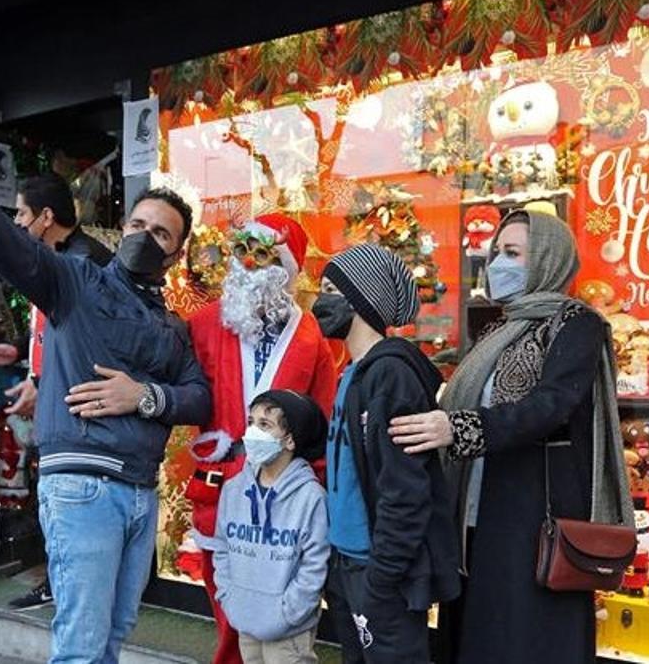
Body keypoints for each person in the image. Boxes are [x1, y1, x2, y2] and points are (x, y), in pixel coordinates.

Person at [0, 150, 212, 664]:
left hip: (139, 492)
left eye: (161, 234)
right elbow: (6, 244)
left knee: (112, 635)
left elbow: (199, 396)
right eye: (138, 224)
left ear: (176, 255)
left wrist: (145, 396)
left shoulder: (171, 327)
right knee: (83, 646)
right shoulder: (75, 280)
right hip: (84, 488)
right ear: (122, 229)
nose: (144, 237)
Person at [388, 209, 632, 663]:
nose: (498, 264)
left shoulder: (576, 324)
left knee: (524, 630)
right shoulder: (500, 328)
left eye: (513, 253)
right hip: (477, 504)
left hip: (532, 511)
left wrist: (459, 427)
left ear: (547, 258)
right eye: (497, 252)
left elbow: (551, 406)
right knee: (480, 624)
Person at [182, 214, 337, 664]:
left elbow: (322, 417)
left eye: (264, 254)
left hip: (285, 495)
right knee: (228, 608)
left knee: (282, 607)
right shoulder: (203, 324)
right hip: (221, 489)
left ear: (286, 268)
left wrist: (314, 487)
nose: (249, 263)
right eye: (242, 251)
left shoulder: (310, 336)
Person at [0, 174, 112, 612]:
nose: (16, 223)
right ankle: (63, 580)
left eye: (22, 214)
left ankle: (66, 584)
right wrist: (17, 353)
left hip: (80, 408)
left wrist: (42, 383)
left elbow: (85, 343)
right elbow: (51, 331)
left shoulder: (82, 263)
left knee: (67, 498)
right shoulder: (60, 257)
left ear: (46, 217)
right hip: (63, 400)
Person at [310, 245, 460, 664]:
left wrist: (382, 577)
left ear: (362, 298)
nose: (319, 301)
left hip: (376, 572)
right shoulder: (353, 372)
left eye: (330, 290)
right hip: (348, 564)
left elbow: (405, 488)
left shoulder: (389, 375)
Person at [208, 390, 330, 664]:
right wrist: (230, 597)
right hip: (245, 619)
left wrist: (289, 612)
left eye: (265, 425)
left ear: (290, 440)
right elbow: (222, 547)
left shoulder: (310, 497)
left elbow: (314, 564)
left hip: (289, 631)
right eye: (251, 422)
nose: (252, 432)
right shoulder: (234, 490)